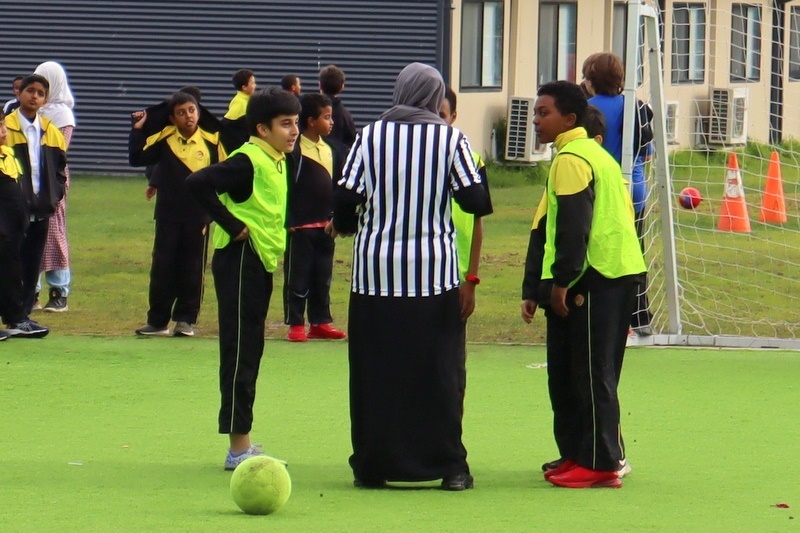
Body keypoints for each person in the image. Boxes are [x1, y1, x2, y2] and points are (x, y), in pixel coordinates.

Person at [329, 63, 492, 491]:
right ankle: (449, 466)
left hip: (375, 275)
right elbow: (475, 199)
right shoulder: (450, 137)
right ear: (436, 96)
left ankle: (373, 463)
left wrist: (352, 223)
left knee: (375, 370)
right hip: (433, 276)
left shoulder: (369, 136)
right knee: (438, 372)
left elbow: (344, 198)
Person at [520, 81, 646, 489]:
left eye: (544, 113)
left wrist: (561, 281)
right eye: (536, 112)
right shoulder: (591, 154)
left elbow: (576, 226)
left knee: (592, 372)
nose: (535, 120)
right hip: (611, 273)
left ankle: (602, 464)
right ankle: (581, 453)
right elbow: (550, 227)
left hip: (598, 275)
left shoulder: (573, 158)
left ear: (569, 119)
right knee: (576, 370)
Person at [187, 88, 301, 470]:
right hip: (239, 261)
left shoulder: (278, 159)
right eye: (285, 124)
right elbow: (197, 183)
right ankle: (238, 448)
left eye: (296, 123)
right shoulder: (248, 160)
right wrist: (232, 224)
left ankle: (243, 441)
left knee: (251, 347)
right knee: (240, 351)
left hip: (260, 262)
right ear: (261, 129)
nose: (293, 131)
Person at [128, 92, 227, 337]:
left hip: (198, 217)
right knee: (162, 267)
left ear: (199, 112)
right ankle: (157, 321)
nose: (188, 117)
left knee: (192, 268)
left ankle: (185, 320)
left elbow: (225, 175)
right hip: (167, 214)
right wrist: (138, 129)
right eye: (181, 113)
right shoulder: (165, 139)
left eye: (191, 111)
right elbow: (136, 157)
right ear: (172, 118)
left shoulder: (212, 142)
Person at [581, 52, 654, 334]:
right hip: (634, 192)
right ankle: (639, 318)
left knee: (595, 256)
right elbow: (647, 152)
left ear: (589, 80)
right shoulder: (637, 107)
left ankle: (597, 318)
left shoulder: (585, 109)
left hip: (599, 191)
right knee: (633, 255)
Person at [3, 74, 66, 334]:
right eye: (30, 91)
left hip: (41, 208)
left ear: (46, 99)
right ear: (19, 94)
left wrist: (55, 196)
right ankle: (13, 314)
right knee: (10, 262)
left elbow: (60, 168)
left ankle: (24, 315)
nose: (34, 97)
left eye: (40, 93)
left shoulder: (51, 130)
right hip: (12, 208)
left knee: (32, 264)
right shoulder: (5, 126)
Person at [283, 93, 346, 342]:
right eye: (327, 117)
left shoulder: (331, 149)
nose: (331, 122)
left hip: (326, 225)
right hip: (300, 226)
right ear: (310, 121)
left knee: (322, 275)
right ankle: (296, 322)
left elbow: (339, 186)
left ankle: (320, 321)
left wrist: (338, 218)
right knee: (298, 275)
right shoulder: (294, 149)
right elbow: (286, 186)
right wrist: (288, 219)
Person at [439, 86, 489, 383]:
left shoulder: (471, 159)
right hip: (418, 276)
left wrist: (471, 279)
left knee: (450, 362)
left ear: (454, 117)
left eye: (441, 115)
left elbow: (478, 222)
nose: (435, 121)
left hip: (454, 278)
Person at [0, 108, 49, 338]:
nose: (3, 133)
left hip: (11, 233)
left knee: (11, 272)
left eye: (3, 126)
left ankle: (16, 319)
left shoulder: (7, 154)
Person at [33, 61, 76, 313]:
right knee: (29, 230)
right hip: (27, 177)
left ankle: (60, 291)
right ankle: (31, 291)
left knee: (53, 230)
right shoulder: (29, 111)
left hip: (52, 178)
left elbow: (59, 149)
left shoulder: (62, 114)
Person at [319, 65, 356, 150]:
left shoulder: (308, 111)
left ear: (320, 85)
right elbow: (352, 142)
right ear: (342, 87)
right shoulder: (346, 116)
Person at [222, 69, 257, 149]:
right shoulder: (239, 103)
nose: (255, 86)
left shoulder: (248, 100)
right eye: (253, 83)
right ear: (244, 87)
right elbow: (227, 123)